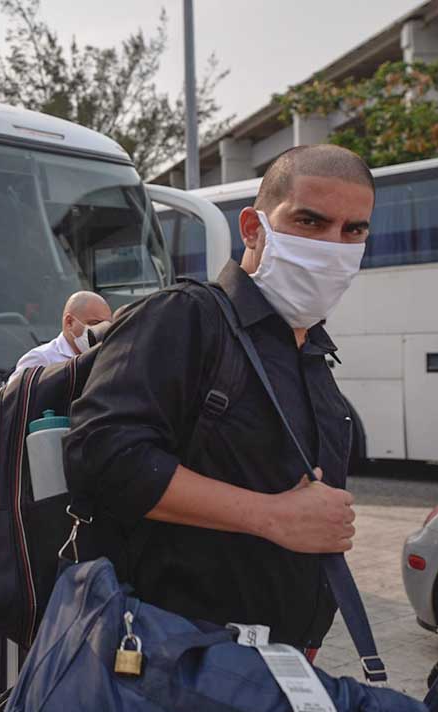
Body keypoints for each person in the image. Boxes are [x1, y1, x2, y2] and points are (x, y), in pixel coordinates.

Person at [64, 144, 373, 655]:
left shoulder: (313, 354)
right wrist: (273, 516)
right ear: (253, 228)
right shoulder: (186, 318)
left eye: (353, 230)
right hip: (171, 661)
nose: (332, 246)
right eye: (310, 222)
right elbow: (102, 456)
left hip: (278, 662)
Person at [8, 291, 111, 385]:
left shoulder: (106, 359)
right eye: (94, 323)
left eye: (106, 325)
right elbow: (12, 402)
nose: (101, 330)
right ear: (69, 322)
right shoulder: (41, 359)